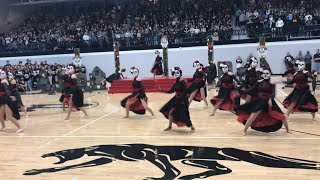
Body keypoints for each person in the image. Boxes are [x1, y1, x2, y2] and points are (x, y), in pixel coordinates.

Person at [236, 65, 290, 135]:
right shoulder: (258, 82)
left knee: (282, 116)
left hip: (269, 102)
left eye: (267, 73)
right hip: (259, 101)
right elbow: (250, 90)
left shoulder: (272, 84)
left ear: (270, 74)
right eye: (264, 73)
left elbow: (273, 94)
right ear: (261, 75)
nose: (265, 75)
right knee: (252, 116)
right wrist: (240, 90)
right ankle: (244, 131)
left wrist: (270, 99)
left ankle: (288, 130)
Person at [159, 67, 195, 133]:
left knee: (184, 115)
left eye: (177, 73)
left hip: (182, 100)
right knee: (170, 112)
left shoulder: (182, 81)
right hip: (176, 99)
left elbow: (186, 91)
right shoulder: (176, 81)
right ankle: (170, 127)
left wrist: (182, 99)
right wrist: (162, 90)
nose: (175, 74)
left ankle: (192, 127)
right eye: (174, 73)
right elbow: (171, 91)